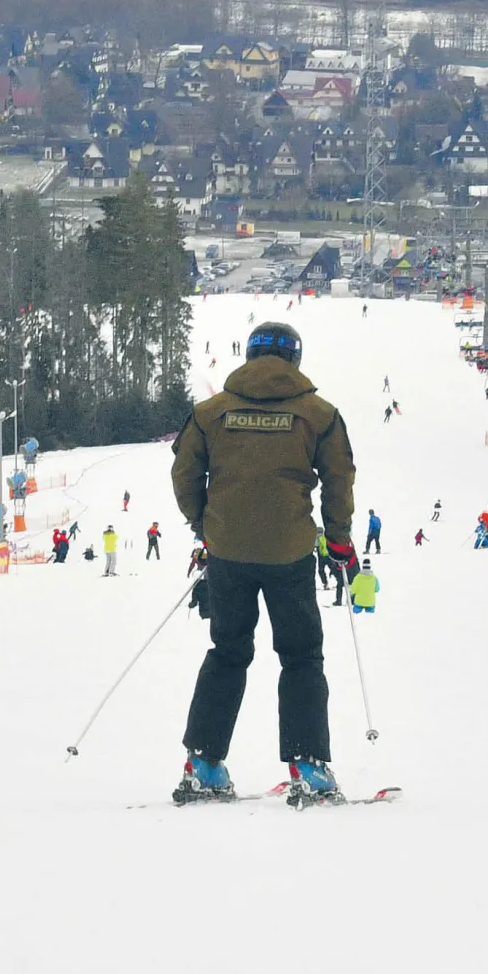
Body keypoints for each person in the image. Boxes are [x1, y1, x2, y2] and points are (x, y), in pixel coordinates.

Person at [170, 320, 356, 807]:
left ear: (250, 356)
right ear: (295, 359)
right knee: (300, 655)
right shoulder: (319, 414)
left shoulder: (210, 413)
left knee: (227, 651)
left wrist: (203, 525)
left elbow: (185, 474)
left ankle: (205, 763)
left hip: (228, 550)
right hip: (290, 552)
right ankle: (309, 767)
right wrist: (338, 540)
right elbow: (339, 479)